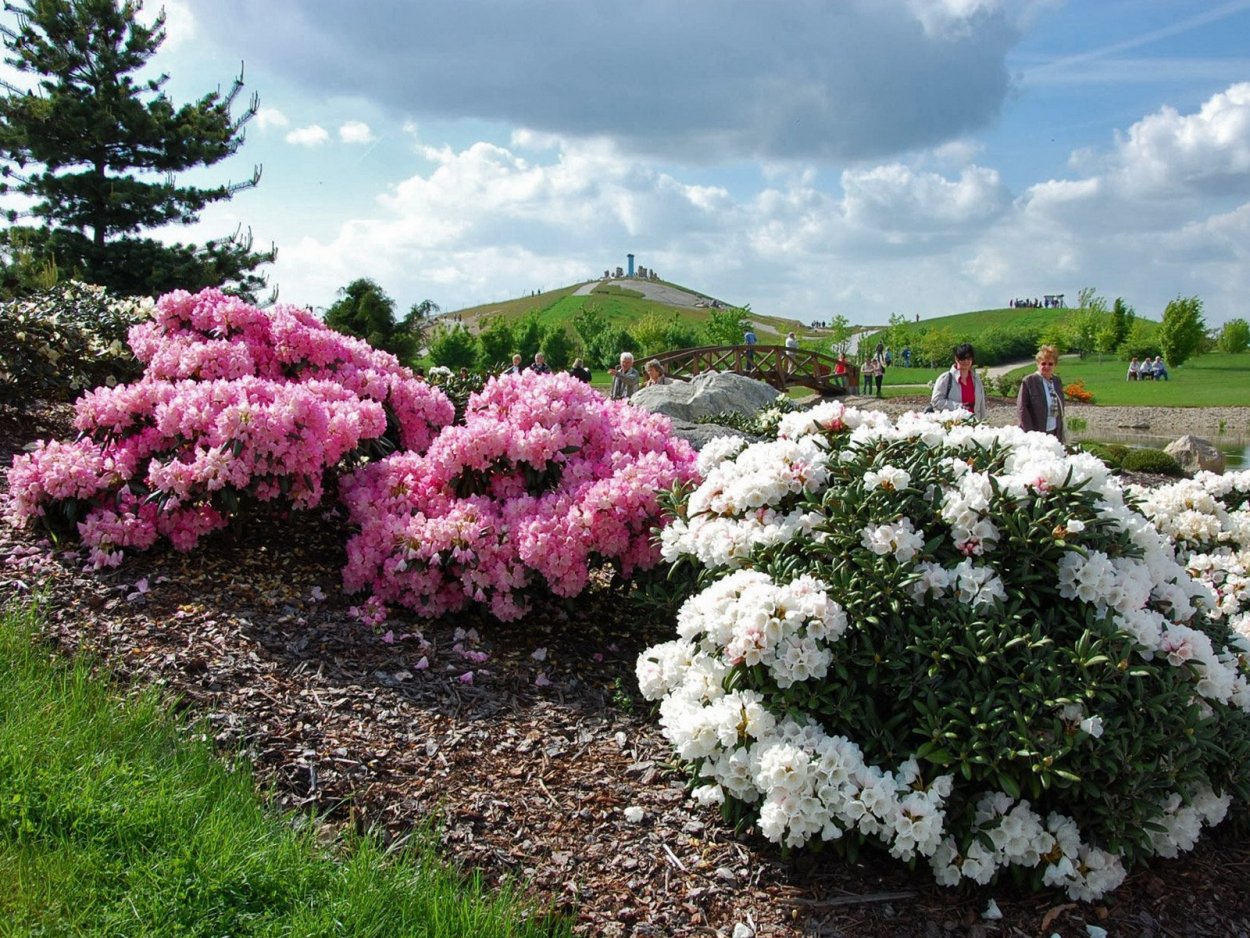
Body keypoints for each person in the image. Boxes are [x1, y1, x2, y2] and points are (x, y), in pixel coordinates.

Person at [1017, 345, 1065, 441]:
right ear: (1038, 364)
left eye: (1050, 364)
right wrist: (1030, 434)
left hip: (1054, 430)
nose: (1047, 366)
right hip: (1036, 432)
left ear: (1055, 365)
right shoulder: (1029, 381)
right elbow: (1022, 409)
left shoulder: (1056, 381)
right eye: (1043, 363)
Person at [929, 342, 986, 419]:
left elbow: (981, 404)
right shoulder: (945, 378)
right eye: (962, 358)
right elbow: (936, 401)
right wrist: (958, 406)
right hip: (953, 424)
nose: (966, 361)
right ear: (956, 359)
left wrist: (982, 424)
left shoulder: (976, 379)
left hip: (974, 424)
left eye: (969, 358)